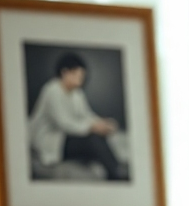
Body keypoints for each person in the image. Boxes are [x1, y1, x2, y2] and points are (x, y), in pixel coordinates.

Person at [28, 51, 129, 181]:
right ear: (65, 72)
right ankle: (115, 172)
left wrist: (103, 123)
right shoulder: (52, 90)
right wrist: (93, 127)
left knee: (99, 136)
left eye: (81, 76)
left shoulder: (77, 93)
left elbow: (86, 115)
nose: (80, 80)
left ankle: (114, 170)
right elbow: (63, 123)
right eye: (76, 75)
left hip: (67, 137)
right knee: (93, 139)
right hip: (52, 142)